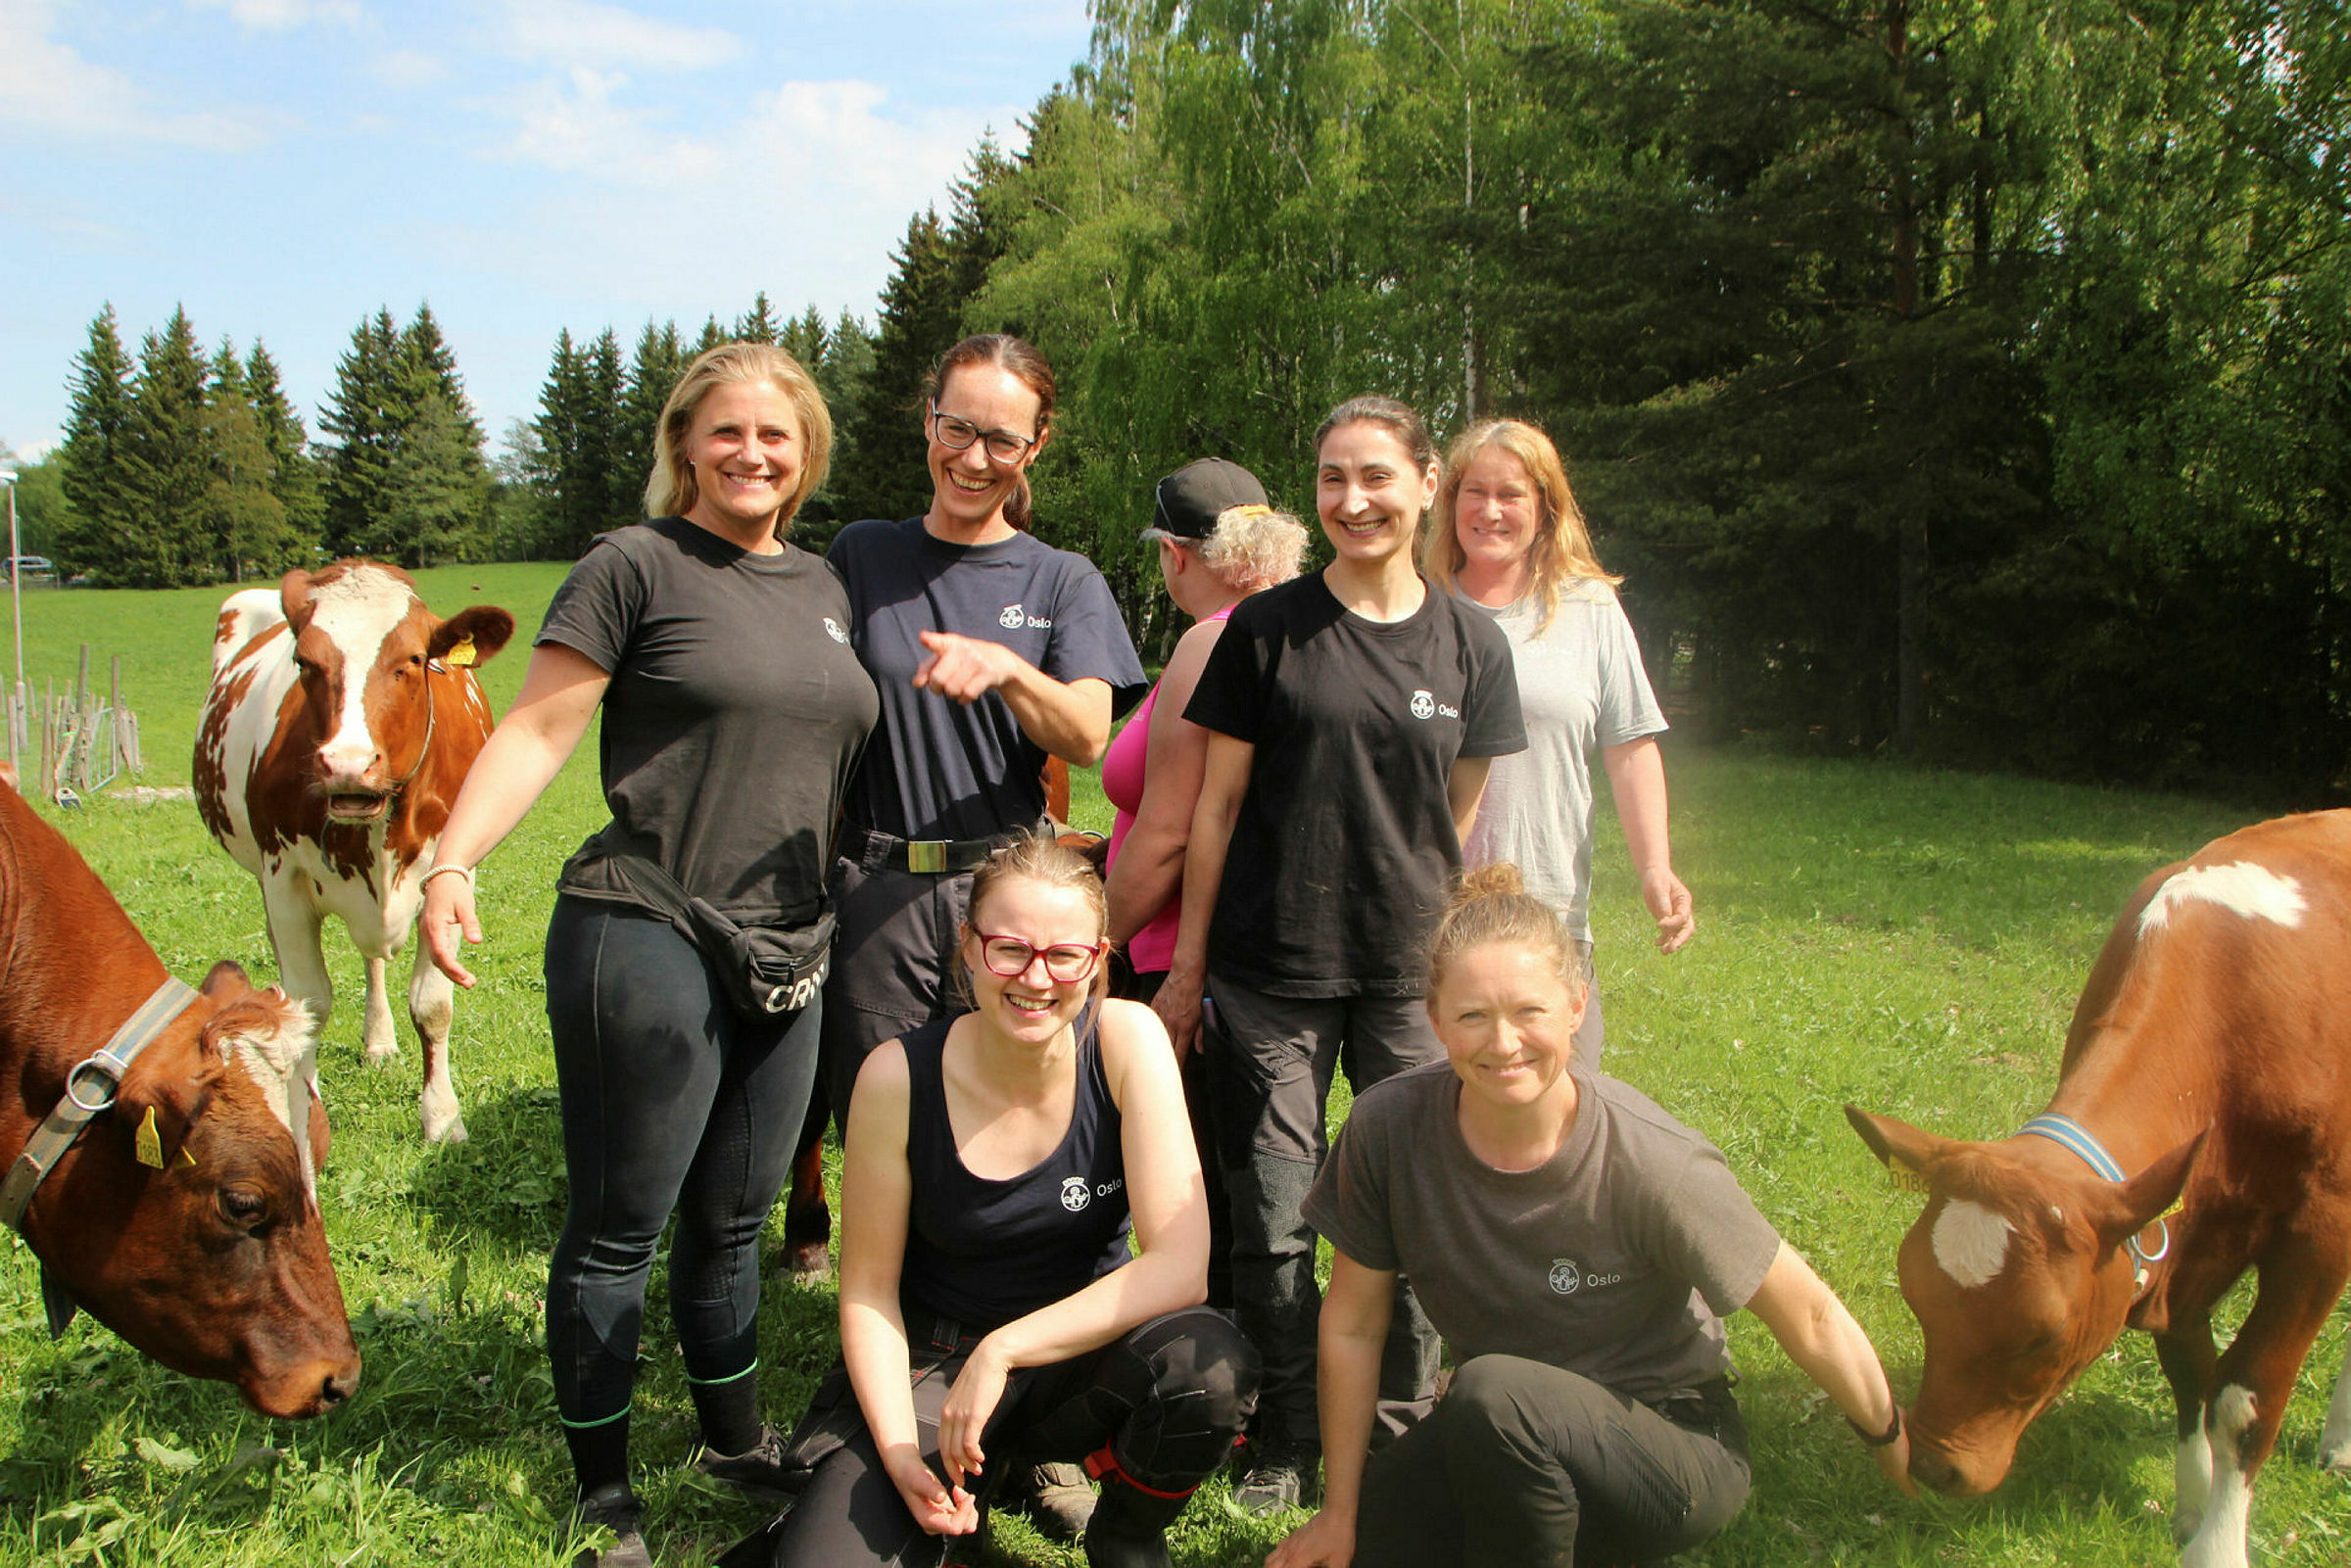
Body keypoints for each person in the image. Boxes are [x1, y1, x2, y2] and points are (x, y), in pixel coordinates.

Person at [419, 343, 877, 1568]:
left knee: (735, 1218)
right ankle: (601, 1485)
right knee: (622, 1220)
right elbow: (537, 726)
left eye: (777, 437)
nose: (753, 455)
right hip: (650, 918)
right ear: (685, 443)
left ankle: (732, 1440)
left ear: (807, 452)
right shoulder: (636, 565)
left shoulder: (827, 587)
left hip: (792, 941)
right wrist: (450, 862)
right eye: (726, 432)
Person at [1267, 864, 1914, 1568]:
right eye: (1474, 1015)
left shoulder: (1650, 1157)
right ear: (1435, 1022)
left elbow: (1809, 1311)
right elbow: (1357, 1324)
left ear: (1576, 1007)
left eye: (1529, 1011)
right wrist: (1340, 1513)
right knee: (1378, 1538)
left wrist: (1890, 1434)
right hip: (1504, 1424)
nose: (1503, 1042)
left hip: (1672, 1438)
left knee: (1492, 1393)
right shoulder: (1387, 1127)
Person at [807, 331, 1149, 1538]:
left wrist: (1006, 667)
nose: (974, 452)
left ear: (1034, 446)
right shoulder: (862, 556)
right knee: (899, 1138)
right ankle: (893, 1395)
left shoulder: (1062, 581)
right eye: (958, 425)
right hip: (881, 894)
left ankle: (1044, 1419)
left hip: (1007, 902)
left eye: (1002, 435)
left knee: (1032, 1128)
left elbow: (1090, 736)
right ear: (927, 423)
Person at [1160, 397, 1525, 1516]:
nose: (1353, 500)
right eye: (1330, 478)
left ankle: (1400, 1425)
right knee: (1272, 1216)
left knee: (1413, 1208)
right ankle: (1283, 1426)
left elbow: (1454, 816)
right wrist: (1185, 971)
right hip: (1268, 972)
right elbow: (1214, 813)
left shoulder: (1473, 644)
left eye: (1375, 476)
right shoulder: (1262, 634)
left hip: (1409, 979)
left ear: (1425, 484)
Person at [760, 833, 1260, 1568]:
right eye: (1009, 948)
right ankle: (968, 1511)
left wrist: (1006, 1348)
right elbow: (867, 1293)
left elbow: (1183, 1265)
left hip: (1085, 1356)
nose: (1037, 976)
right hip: (934, 1361)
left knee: (1207, 1361)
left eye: (1065, 954)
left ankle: (1124, 1531)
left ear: (1098, 960)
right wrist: (901, 1453)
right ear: (967, 947)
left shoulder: (1125, 1038)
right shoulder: (896, 1077)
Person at [1101, 456, 1308, 1309]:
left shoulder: (1211, 640)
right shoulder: (1300, 627)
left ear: (1178, 554)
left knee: (1186, 1194)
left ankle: (1202, 1375)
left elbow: (1173, 831)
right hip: (1250, 960)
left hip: (1170, 957)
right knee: (1236, 1187)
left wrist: (1090, 942)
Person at [1424, 419, 1693, 1067]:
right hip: (1430, 921)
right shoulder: (1416, 607)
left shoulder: (1588, 608)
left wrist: (1656, 868)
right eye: (1474, 491)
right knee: (1433, 1131)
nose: (1491, 510)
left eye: (1512, 493)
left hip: (1552, 915)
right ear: (1449, 499)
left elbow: (1630, 746)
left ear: (1546, 506)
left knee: (1558, 1119)